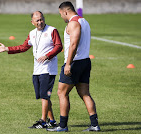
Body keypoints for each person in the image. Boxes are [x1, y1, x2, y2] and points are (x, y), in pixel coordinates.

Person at [0, 11, 63, 129]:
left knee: (45, 96)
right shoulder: (32, 33)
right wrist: (7, 49)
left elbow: (59, 46)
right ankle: (51, 121)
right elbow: (23, 47)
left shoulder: (52, 30)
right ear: (32, 22)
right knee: (43, 95)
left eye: (41, 19)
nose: (40, 22)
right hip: (37, 70)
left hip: (48, 69)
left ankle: (42, 121)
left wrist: (47, 55)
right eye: (37, 20)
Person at [47, 1, 101, 132]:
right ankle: (94, 124)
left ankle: (63, 126)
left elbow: (73, 45)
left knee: (62, 92)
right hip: (85, 62)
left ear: (66, 11)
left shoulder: (73, 23)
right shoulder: (85, 21)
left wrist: (68, 64)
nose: (61, 17)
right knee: (84, 93)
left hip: (75, 63)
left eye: (61, 14)